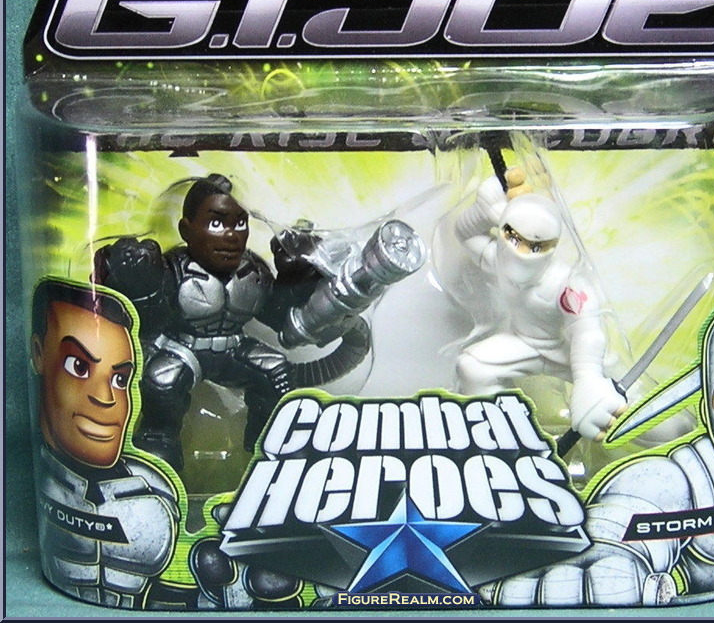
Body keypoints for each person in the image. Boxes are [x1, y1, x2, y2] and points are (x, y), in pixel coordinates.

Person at [94, 173, 424, 469]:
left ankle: (266, 447)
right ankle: (158, 440)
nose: (231, 236)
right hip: (181, 348)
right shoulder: (174, 269)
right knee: (162, 380)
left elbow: (281, 321)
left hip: (233, 348)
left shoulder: (252, 272)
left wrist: (296, 274)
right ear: (186, 229)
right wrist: (139, 280)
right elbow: (145, 322)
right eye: (216, 224)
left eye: (240, 224)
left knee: (274, 370)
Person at [485, 286, 714, 606]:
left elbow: (670, 428)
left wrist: (598, 375)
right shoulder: (682, 478)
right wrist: (607, 559)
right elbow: (628, 514)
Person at [31, 278, 179, 608]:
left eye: (120, 379)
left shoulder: (153, 488)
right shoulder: (49, 479)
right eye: (78, 366)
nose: (106, 398)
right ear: (39, 354)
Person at [454, 168, 626, 441]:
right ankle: (497, 437)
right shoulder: (499, 260)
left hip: (567, 352)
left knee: (632, 404)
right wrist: (484, 210)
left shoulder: (565, 282)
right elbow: (465, 233)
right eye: (514, 239)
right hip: (523, 343)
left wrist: (588, 378)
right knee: (472, 367)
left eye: (535, 247)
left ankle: (677, 436)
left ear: (551, 246)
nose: (521, 252)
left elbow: (586, 331)